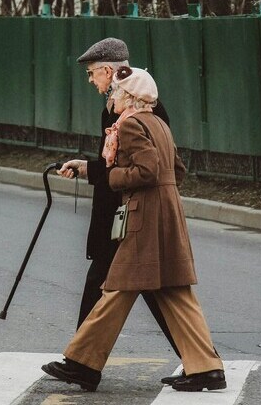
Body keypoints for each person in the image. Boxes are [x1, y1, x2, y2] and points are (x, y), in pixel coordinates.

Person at [43, 67, 226, 392]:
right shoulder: (157, 124)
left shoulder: (129, 124)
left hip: (144, 218)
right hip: (166, 213)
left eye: (115, 91)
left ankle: (83, 363)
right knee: (174, 291)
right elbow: (176, 169)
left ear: (128, 96)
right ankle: (208, 368)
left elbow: (147, 169)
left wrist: (114, 180)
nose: (110, 96)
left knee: (116, 289)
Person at [57, 38, 184, 385]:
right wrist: (87, 167)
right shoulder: (118, 108)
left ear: (109, 71)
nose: (91, 80)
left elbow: (145, 168)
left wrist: (94, 170)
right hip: (123, 214)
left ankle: (82, 364)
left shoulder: (136, 112)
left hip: (130, 216)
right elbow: (112, 163)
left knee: (136, 289)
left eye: (93, 73)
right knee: (126, 288)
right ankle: (81, 364)